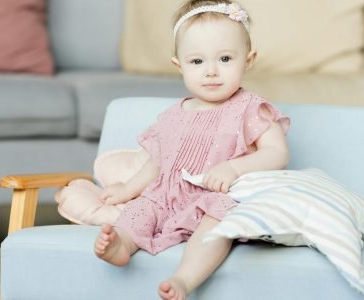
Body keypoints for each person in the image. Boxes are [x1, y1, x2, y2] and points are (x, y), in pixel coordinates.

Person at [94, 0, 290, 299]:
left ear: (248, 60)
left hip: (216, 197)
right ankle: (121, 244)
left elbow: (277, 153)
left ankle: (185, 278)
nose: (211, 71)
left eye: (225, 59)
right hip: (168, 197)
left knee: (219, 220)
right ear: (179, 65)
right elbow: (158, 164)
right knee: (141, 209)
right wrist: (127, 189)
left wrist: (233, 168)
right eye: (197, 62)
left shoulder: (250, 108)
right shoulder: (172, 115)